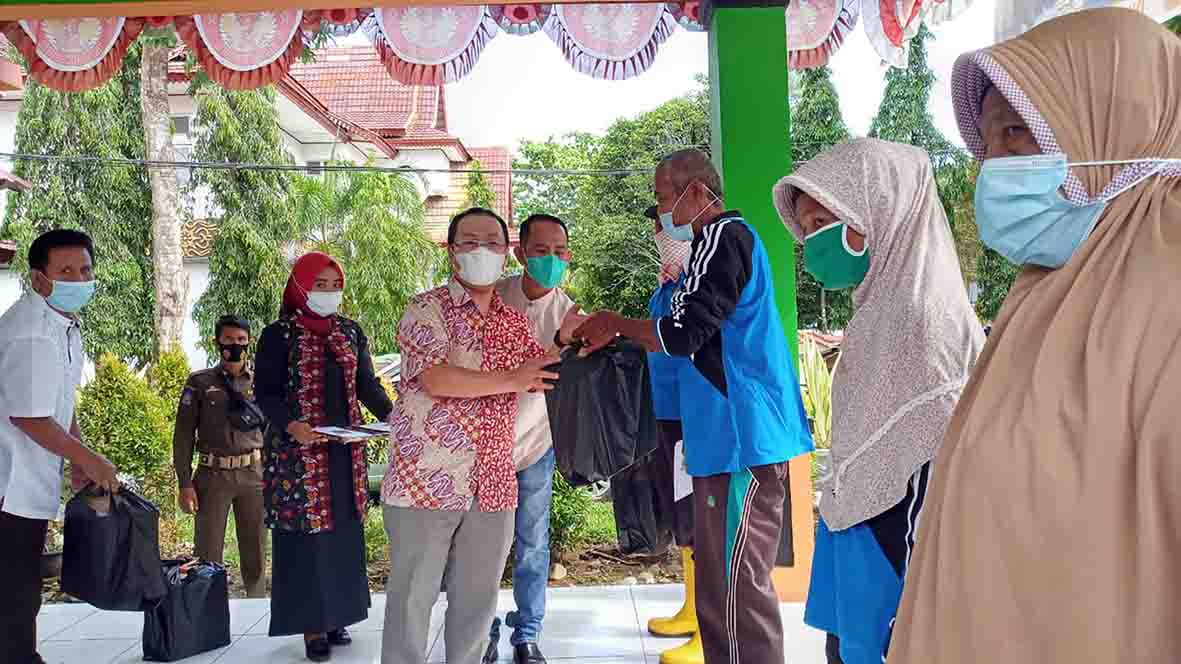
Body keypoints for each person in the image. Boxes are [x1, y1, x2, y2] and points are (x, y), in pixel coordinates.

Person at [887, 9, 1181, 664]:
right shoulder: (1055, 285)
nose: (996, 165)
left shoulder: (1165, 296)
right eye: (989, 143)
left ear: (1115, 122)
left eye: (1020, 133)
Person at [574, 149, 813, 664]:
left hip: (741, 439)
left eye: (664, 199)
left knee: (735, 586)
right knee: (718, 581)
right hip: (719, 439)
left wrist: (614, 322)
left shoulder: (722, 238)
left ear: (698, 194)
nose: (662, 213)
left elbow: (681, 334)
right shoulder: (704, 251)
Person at [771, 138, 984, 664]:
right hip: (859, 537)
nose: (814, 241)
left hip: (900, 552)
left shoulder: (926, 319)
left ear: (882, 208)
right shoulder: (878, 310)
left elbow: (936, 470)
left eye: (826, 220)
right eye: (809, 228)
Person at [380, 208, 570, 664]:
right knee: (412, 603)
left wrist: (569, 340)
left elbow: (537, 371)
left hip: (493, 486)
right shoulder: (426, 308)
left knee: (475, 606)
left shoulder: (511, 319)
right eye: (470, 241)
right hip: (425, 481)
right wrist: (512, 377)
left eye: (491, 242)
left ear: (507, 253)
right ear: (451, 251)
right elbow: (436, 379)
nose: (481, 250)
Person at [254, 252, 393, 662]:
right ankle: (311, 626)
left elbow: (367, 385)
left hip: (342, 454)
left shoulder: (350, 332)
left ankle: (338, 617)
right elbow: (266, 393)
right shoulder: (278, 335)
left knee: (342, 536)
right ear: (299, 288)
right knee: (306, 540)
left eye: (335, 286)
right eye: (320, 286)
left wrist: (395, 417)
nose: (329, 294)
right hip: (297, 457)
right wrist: (291, 425)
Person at [0, 229, 119, 664]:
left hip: (29, 480)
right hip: (9, 484)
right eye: (65, 270)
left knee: (22, 585)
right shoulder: (31, 331)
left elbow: (60, 397)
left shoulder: (62, 325)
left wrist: (77, 452)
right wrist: (89, 458)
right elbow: (29, 416)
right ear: (38, 278)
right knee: (13, 593)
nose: (78, 279)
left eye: (84, 269)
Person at [484, 213, 584, 664]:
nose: (552, 259)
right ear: (520, 252)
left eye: (560, 252)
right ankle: (480, 630)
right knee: (481, 547)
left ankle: (527, 634)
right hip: (483, 446)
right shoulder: (491, 299)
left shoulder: (571, 314)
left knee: (532, 545)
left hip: (536, 448)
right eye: (541, 251)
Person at [640, 205, 705, 664]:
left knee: (702, 520)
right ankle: (691, 606)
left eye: (666, 229)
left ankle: (710, 628)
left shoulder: (696, 288)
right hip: (666, 417)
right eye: (656, 232)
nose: (661, 238)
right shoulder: (664, 289)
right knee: (682, 518)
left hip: (694, 419)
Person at [172, 314, 267, 599]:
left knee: (256, 549)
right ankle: (207, 610)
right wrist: (185, 483)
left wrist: (275, 474)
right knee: (207, 550)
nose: (235, 345)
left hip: (254, 474)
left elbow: (274, 430)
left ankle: (257, 604)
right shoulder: (200, 382)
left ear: (249, 343)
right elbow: (183, 435)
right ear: (217, 342)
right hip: (213, 476)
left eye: (241, 340)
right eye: (228, 340)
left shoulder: (262, 381)